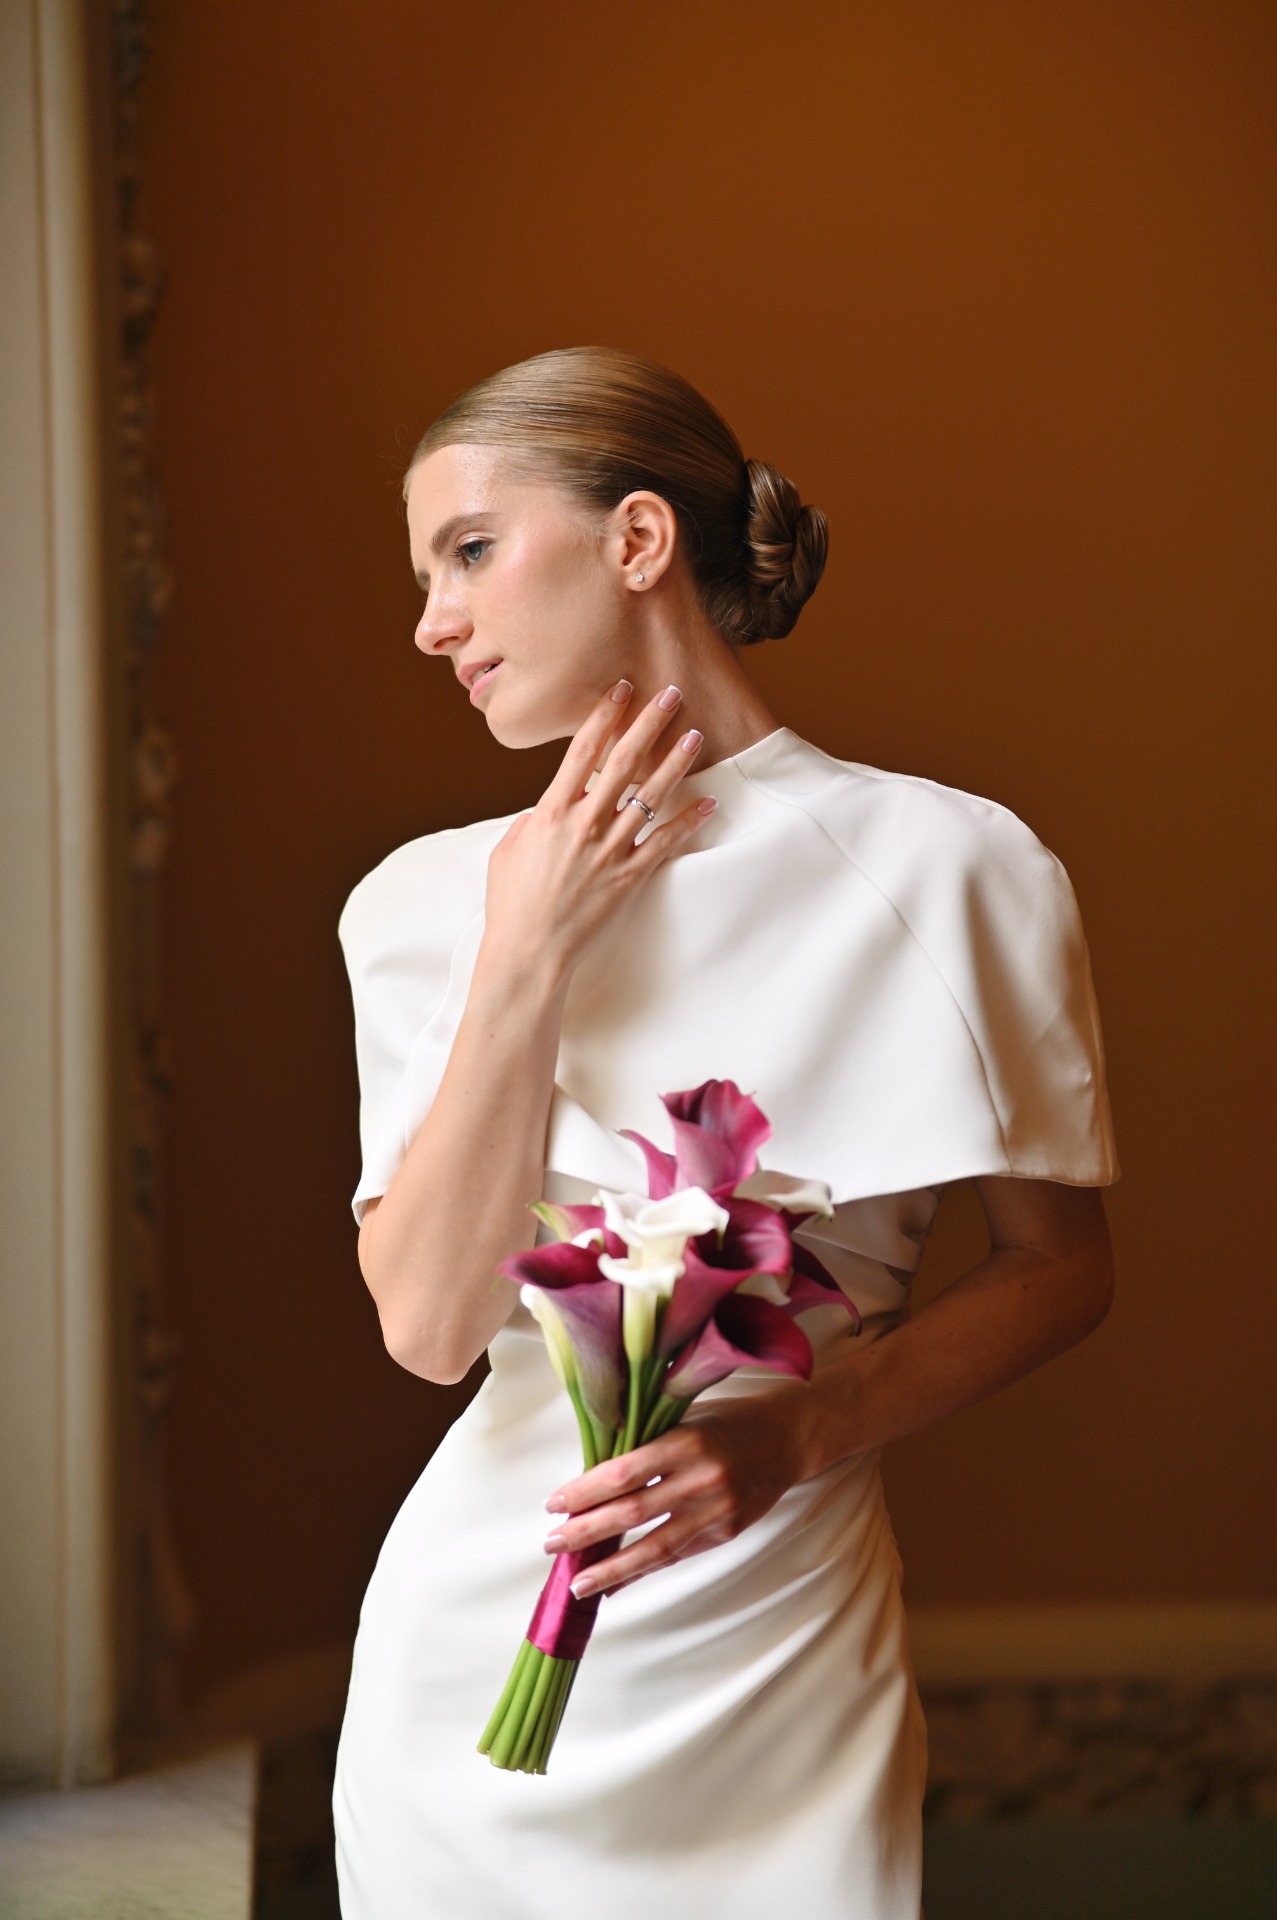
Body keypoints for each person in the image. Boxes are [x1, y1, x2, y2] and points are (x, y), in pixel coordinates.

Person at [331, 346, 1119, 1920]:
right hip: (469, 1668)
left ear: (637, 540)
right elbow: (427, 1330)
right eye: (423, 577)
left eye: (468, 550)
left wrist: (803, 1430)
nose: (431, 622)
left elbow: (1060, 1269)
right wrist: (527, 951)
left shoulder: (955, 866)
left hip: (782, 1655)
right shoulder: (420, 905)